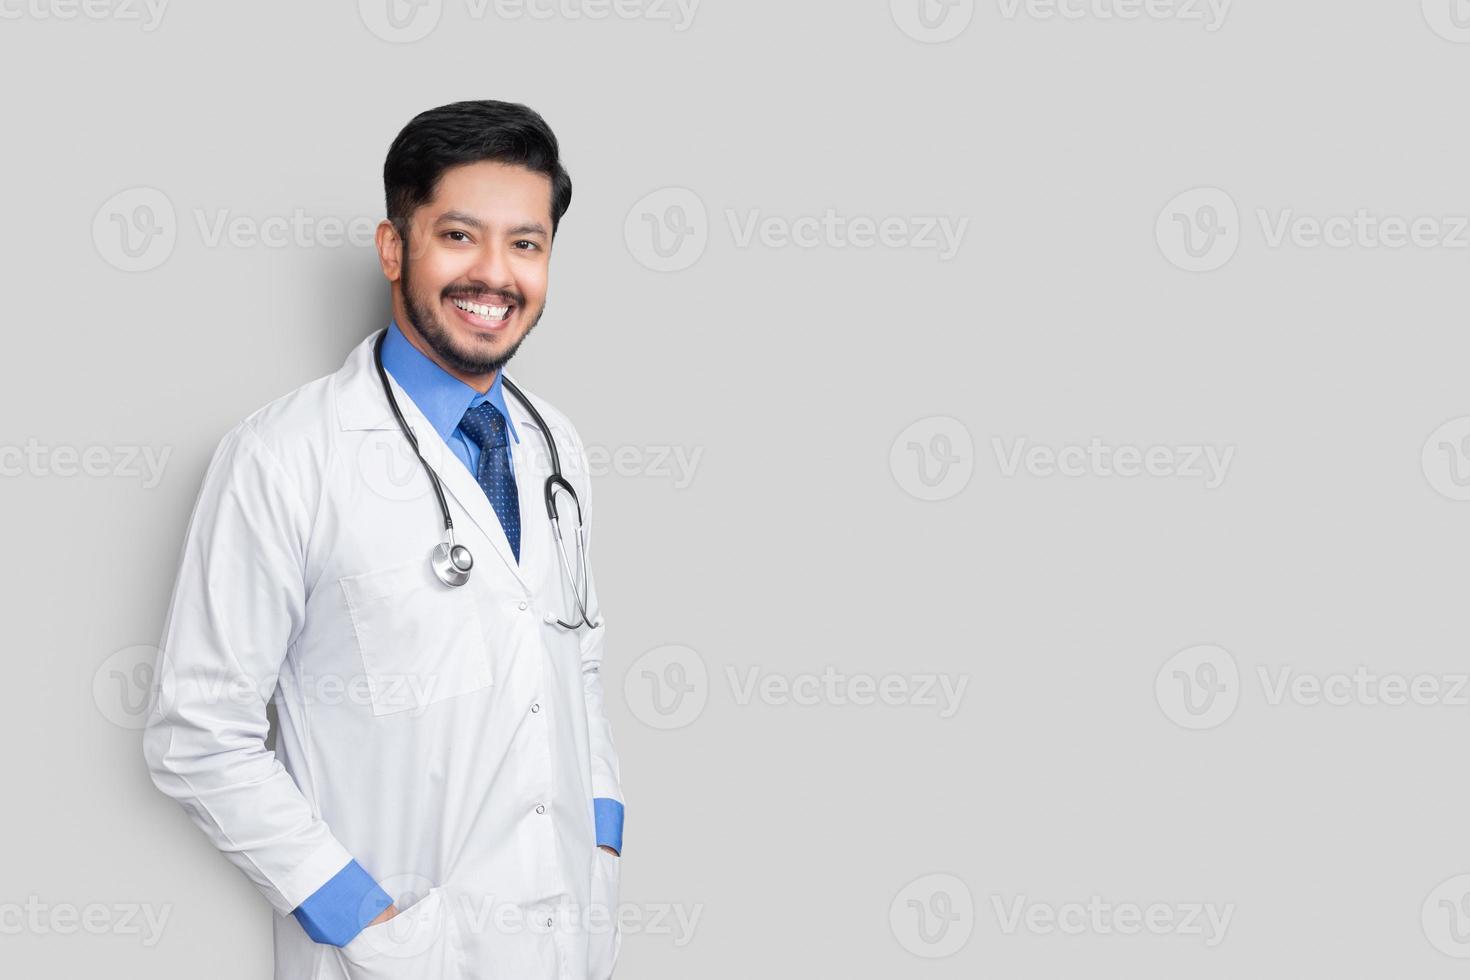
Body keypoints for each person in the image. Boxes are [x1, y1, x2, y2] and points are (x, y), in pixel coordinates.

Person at [142, 100, 626, 980]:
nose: (495, 274)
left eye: (526, 243)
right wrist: (358, 912)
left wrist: (601, 840)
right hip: (397, 956)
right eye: (458, 236)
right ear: (394, 247)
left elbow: (574, 664)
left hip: (567, 943)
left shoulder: (556, 446)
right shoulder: (286, 457)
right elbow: (198, 731)